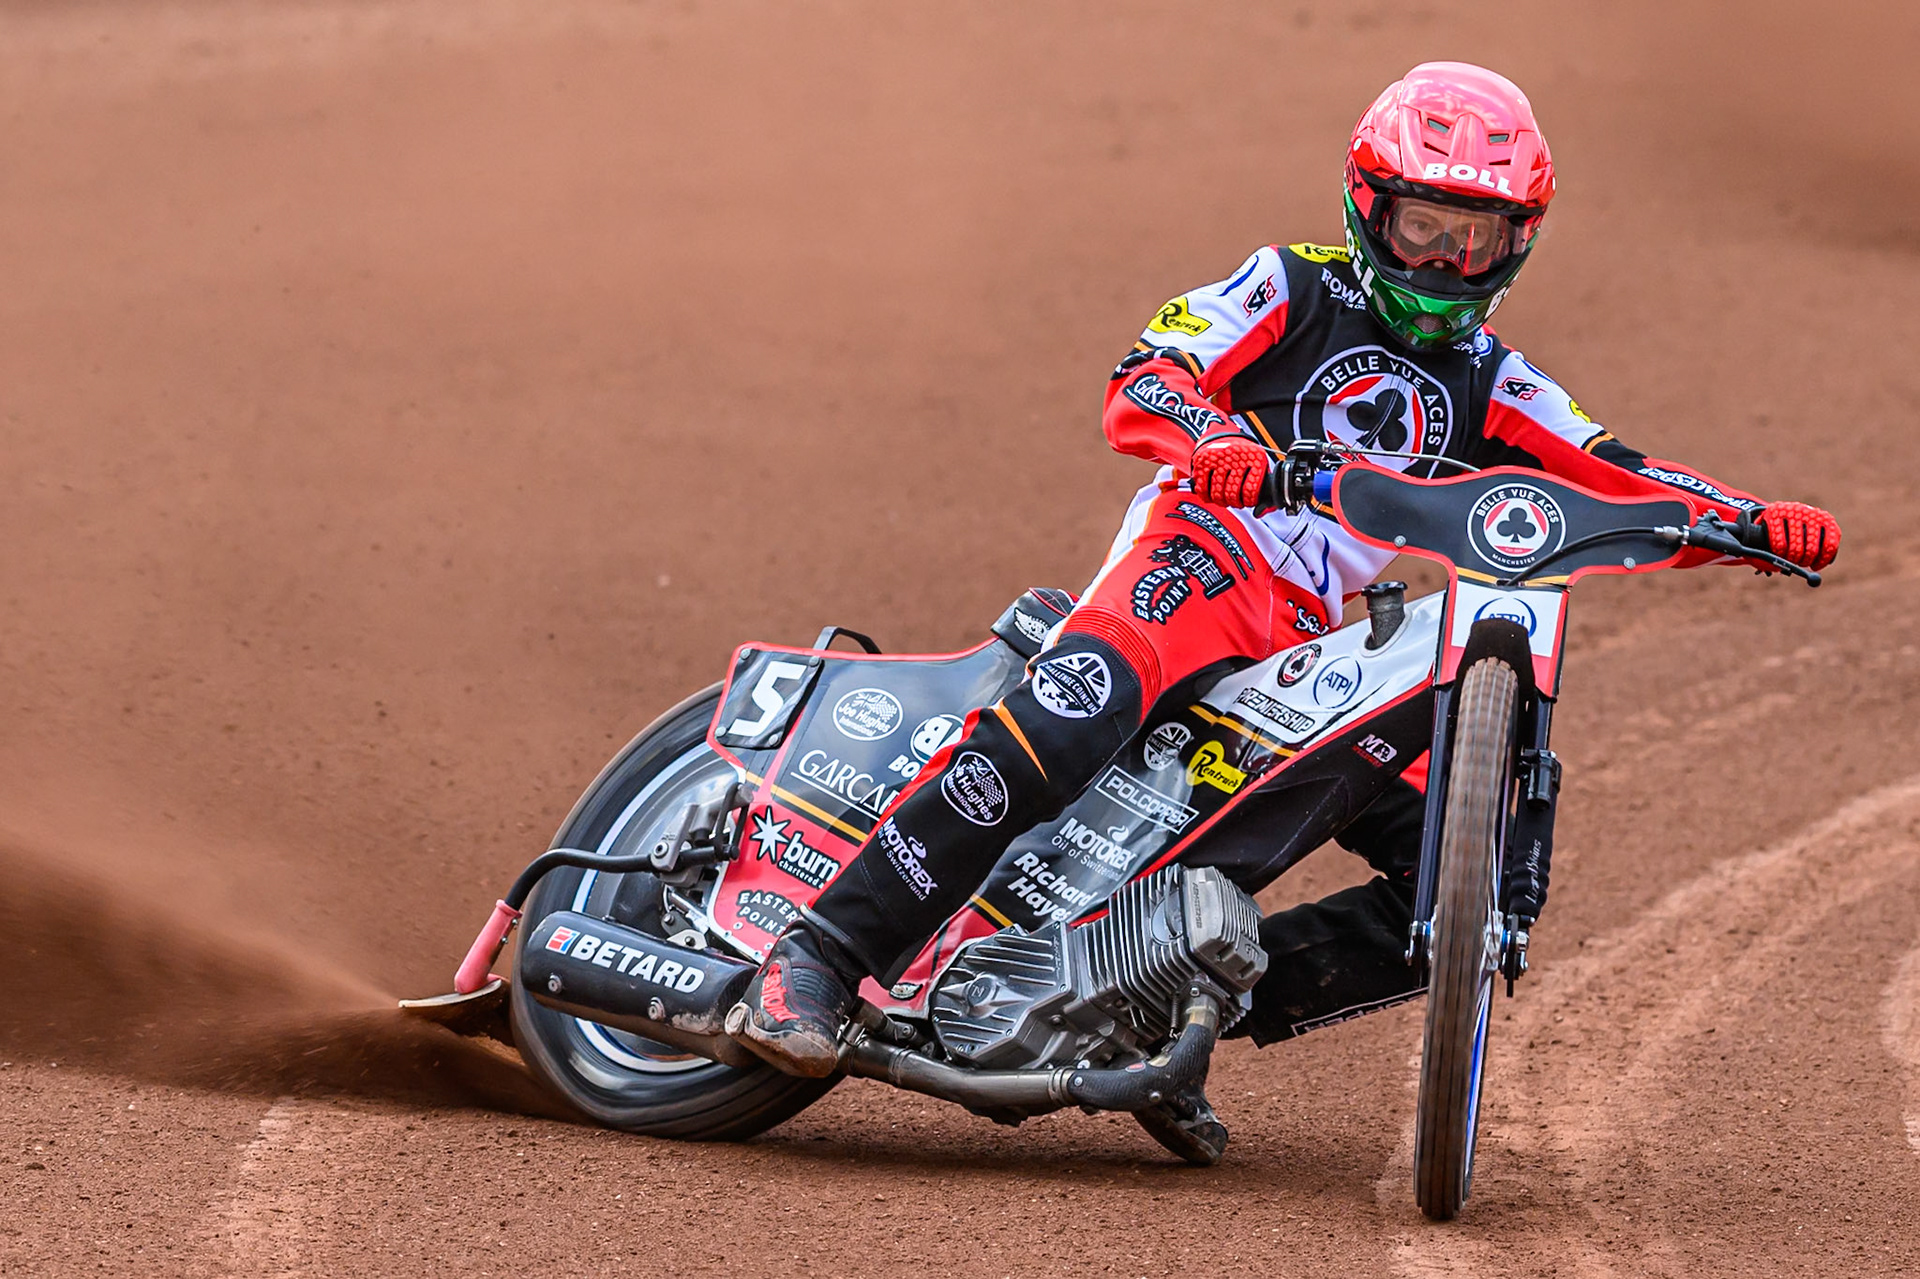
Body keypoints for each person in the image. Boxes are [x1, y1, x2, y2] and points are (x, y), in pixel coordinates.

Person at [726, 62, 1841, 1081]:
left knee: (1466, 887)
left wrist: (1743, 521)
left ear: (1519, 244)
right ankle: (817, 956)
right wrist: (1209, 442)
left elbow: (1614, 475)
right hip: (1196, 559)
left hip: (1313, 639)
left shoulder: (1500, 380)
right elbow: (1146, 372)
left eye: (1475, 240)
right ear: (1367, 206)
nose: (1444, 264)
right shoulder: (1286, 284)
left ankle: (1148, 1009)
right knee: (1078, 706)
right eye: (1420, 227)